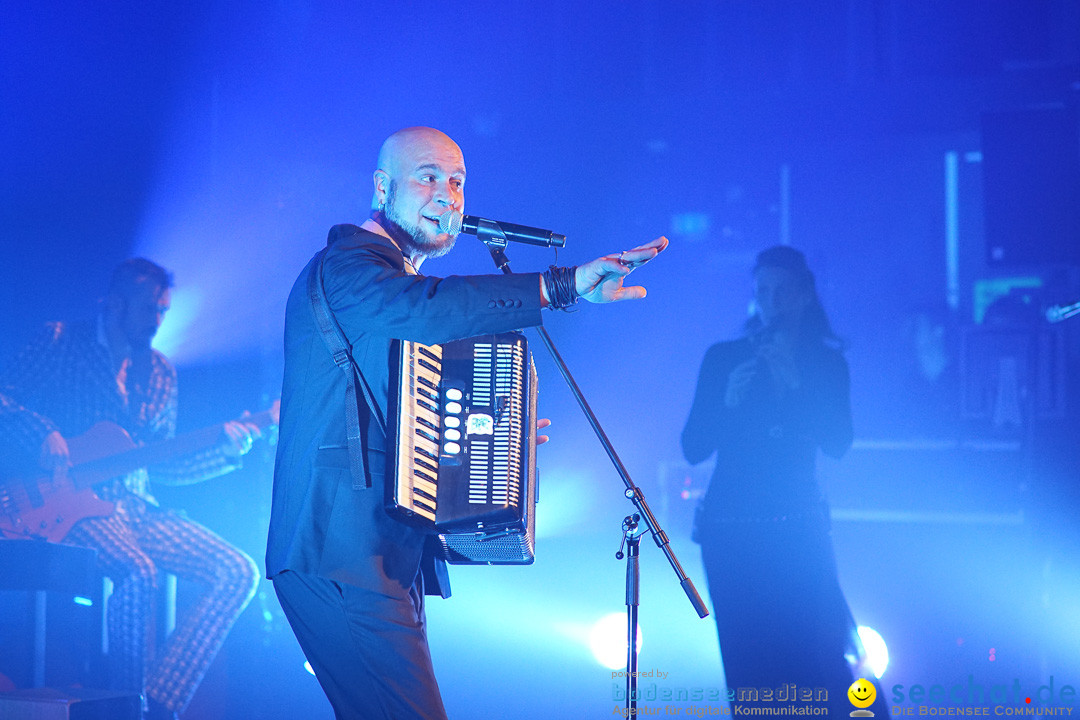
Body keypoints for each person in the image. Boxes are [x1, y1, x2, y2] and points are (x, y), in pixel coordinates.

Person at [265, 126, 667, 720]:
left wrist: (490, 430)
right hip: (338, 547)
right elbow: (429, 310)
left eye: (457, 181)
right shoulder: (349, 264)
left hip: (376, 551)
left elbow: (391, 399)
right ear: (382, 188)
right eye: (427, 176)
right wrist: (559, 286)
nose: (448, 194)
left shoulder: (386, 281)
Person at [0, 258, 263, 720]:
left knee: (238, 571)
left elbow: (164, 467)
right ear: (115, 304)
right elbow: (4, 397)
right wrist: (42, 432)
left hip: (139, 508)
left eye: (162, 310)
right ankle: (120, 706)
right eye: (148, 309)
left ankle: (154, 705)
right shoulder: (62, 340)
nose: (157, 321)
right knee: (137, 572)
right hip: (70, 503)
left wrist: (228, 450)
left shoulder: (160, 371)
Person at [681, 246, 886, 716]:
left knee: (814, 656)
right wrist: (726, 402)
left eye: (780, 291)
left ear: (804, 295)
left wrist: (796, 385)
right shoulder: (725, 358)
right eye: (761, 292)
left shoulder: (827, 364)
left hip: (797, 529)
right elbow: (692, 447)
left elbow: (838, 442)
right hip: (731, 531)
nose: (770, 301)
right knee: (748, 663)